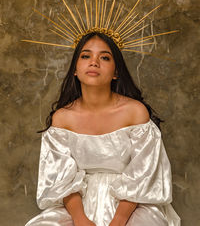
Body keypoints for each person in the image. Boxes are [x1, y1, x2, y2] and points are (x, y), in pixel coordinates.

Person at [25, 31, 181, 226]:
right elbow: (61, 180)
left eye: (105, 57)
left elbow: (142, 174)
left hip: (129, 203)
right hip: (77, 205)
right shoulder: (62, 119)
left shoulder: (135, 112)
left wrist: (118, 220)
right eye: (86, 56)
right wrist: (80, 219)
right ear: (75, 68)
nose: (94, 62)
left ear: (116, 72)